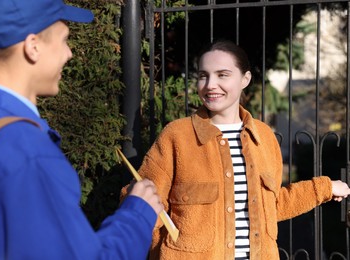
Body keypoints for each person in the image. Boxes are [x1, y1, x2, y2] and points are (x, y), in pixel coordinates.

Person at [0, 0, 163, 259]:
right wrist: (138, 214)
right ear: (33, 46)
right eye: (64, 40)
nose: (69, 54)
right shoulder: (27, 151)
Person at [121, 40, 350, 259]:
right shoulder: (177, 136)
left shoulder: (264, 137)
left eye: (222, 75)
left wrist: (326, 187)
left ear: (245, 79)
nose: (210, 85)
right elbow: (142, 206)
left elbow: (274, 205)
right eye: (203, 76)